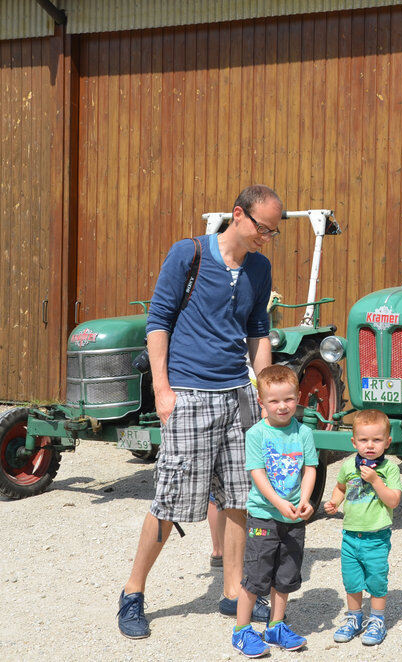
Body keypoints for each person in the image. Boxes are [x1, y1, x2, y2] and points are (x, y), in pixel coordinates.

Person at [117, 185, 283, 638]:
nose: (266, 238)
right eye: (262, 228)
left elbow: (258, 331)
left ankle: (233, 590)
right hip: (189, 392)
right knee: (170, 499)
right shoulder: (187, 254)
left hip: (239, 397)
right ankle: (133, 592)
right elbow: (158, 322)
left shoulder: (259, 267)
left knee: (236, 499)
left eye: (273, 232)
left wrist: (266, 397)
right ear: (237, 215)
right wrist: (163, 389)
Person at [231, 364, 317, 656]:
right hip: (264, 516)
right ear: (261, 402)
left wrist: (305, 499)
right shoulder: (257, 434)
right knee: (256, 575)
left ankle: (275, 625)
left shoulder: (303, 432)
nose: (282, 406)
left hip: (294, 517)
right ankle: (242, 631)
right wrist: (279, 503)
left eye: (289, 399)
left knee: (285, 575)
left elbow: (310, 468)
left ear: (299, 396)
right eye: (274, 401)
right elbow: (257, 473)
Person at [323, 409, 402, 646]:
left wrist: (376, 480)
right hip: (350, 536)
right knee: (352, 581)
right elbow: (340, 487)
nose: (370, 446)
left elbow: (393, 501)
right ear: (354, 441)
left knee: (377, 580)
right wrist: (334, 502)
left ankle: (377, 620)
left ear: (387, 442)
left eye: (377, 440)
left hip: (376, 537)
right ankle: (354, 618)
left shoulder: (389, 470)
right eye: (364, 440)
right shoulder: (349, 466)